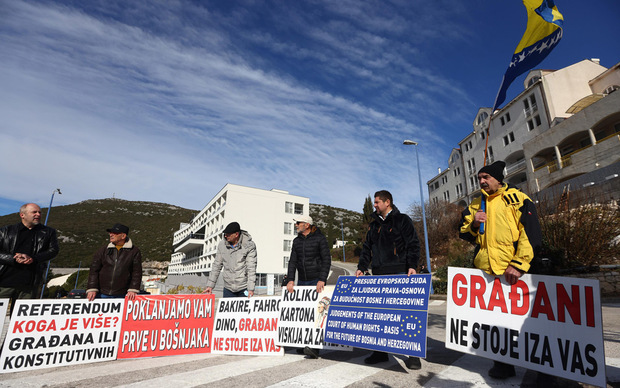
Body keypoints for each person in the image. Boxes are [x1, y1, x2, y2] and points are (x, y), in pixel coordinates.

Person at [459, 160, 542, 379]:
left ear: (498, 178)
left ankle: (541, 369)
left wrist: (519, 264)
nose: (482, 182)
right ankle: (502, 365)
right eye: (479, 179)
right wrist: (474, 224)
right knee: (495, 323)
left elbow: (531, 234)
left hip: (514, 273)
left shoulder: (518, 199)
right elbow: (464, 232)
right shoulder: (475, 205)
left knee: (524, 322)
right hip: (486, 273)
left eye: (486, 177)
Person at [356, 190, 422, 370]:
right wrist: (362, 267)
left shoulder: (402, 220)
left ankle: (413, 354)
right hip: (378, 274)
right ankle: (380, 352)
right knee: (380, 316)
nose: (374, 205)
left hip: (399, 272)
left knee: (405, 314)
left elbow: (413, 244)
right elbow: (366, 248)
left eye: (377, 202)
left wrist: (412, 265)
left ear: (388, 202)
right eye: (375, 202)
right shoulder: (373, 225)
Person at [285, 215, 331, 359]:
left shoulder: (320, 238)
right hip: (302, 282)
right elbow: (292, 262)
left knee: (317, 314)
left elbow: (326, 259)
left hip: (316, 281)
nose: (296, 225)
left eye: (298, 223)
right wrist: (291, 280)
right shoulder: (296, 241)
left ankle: (315, 348)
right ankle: (305, 343)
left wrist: (322, 279)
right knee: (303, 314)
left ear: (306, 224)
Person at [0, 203, 59, 313]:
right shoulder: (6, 231)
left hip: (29, 285)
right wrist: (13, 258)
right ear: (22, 215)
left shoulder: (48, 232)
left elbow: (53, 251)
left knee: (20, 320)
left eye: (39, 212)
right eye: (34, 212)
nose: (38, 214)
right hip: (4, 282)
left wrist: (33, 259)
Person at [86, 223, 143, 301]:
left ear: (123, 236)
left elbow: (136, 272)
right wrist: (92, 288)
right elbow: (94, 270)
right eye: (110, 233)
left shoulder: (134, 251)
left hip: (123, 295)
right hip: (101, 294)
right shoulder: (103, 250)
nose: (111, 235)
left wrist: (133, 289)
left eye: (115, 233)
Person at [204, 222, 257, 298]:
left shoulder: (249, 246)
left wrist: (251, 289)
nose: (225, 236)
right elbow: (216, 266)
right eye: (225, 234)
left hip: (244, 288)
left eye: (228, 234)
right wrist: (210, 286)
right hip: (228, 288)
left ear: (236, 234)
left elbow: (251, 268)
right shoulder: (222, 245)